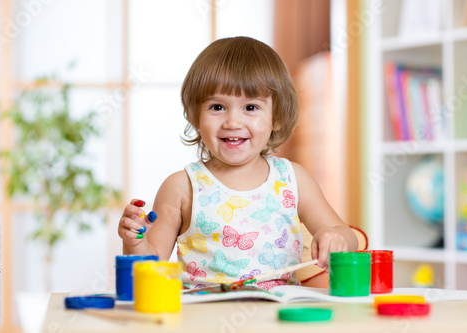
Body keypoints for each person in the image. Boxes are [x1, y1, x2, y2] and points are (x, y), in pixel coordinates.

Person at [118, 36, 358, 290]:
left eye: (251, 107)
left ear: (276, 117)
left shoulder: (293, 178)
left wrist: (336, 237)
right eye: (218, 106)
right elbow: (150, 266)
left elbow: (349, 237)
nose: (232, 122)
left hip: (275, 318)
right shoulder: (181, 187)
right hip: (203, 318)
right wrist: (135, 241)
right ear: (196, 115)